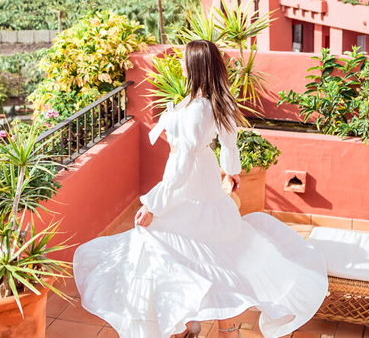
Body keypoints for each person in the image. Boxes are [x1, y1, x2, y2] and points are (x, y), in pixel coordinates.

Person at [74, 39, 328, 338]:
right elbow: (228, 143)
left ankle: (202, 326)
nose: (180, 63)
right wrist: (231, 171)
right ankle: (207, 325)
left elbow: (184, 161)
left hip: (189, 181)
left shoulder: (198, 107)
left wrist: (154, 203)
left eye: (184, 59)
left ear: (194, 66)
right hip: (200, 177)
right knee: (209, 250)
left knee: (179, 246)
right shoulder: (209, 100)